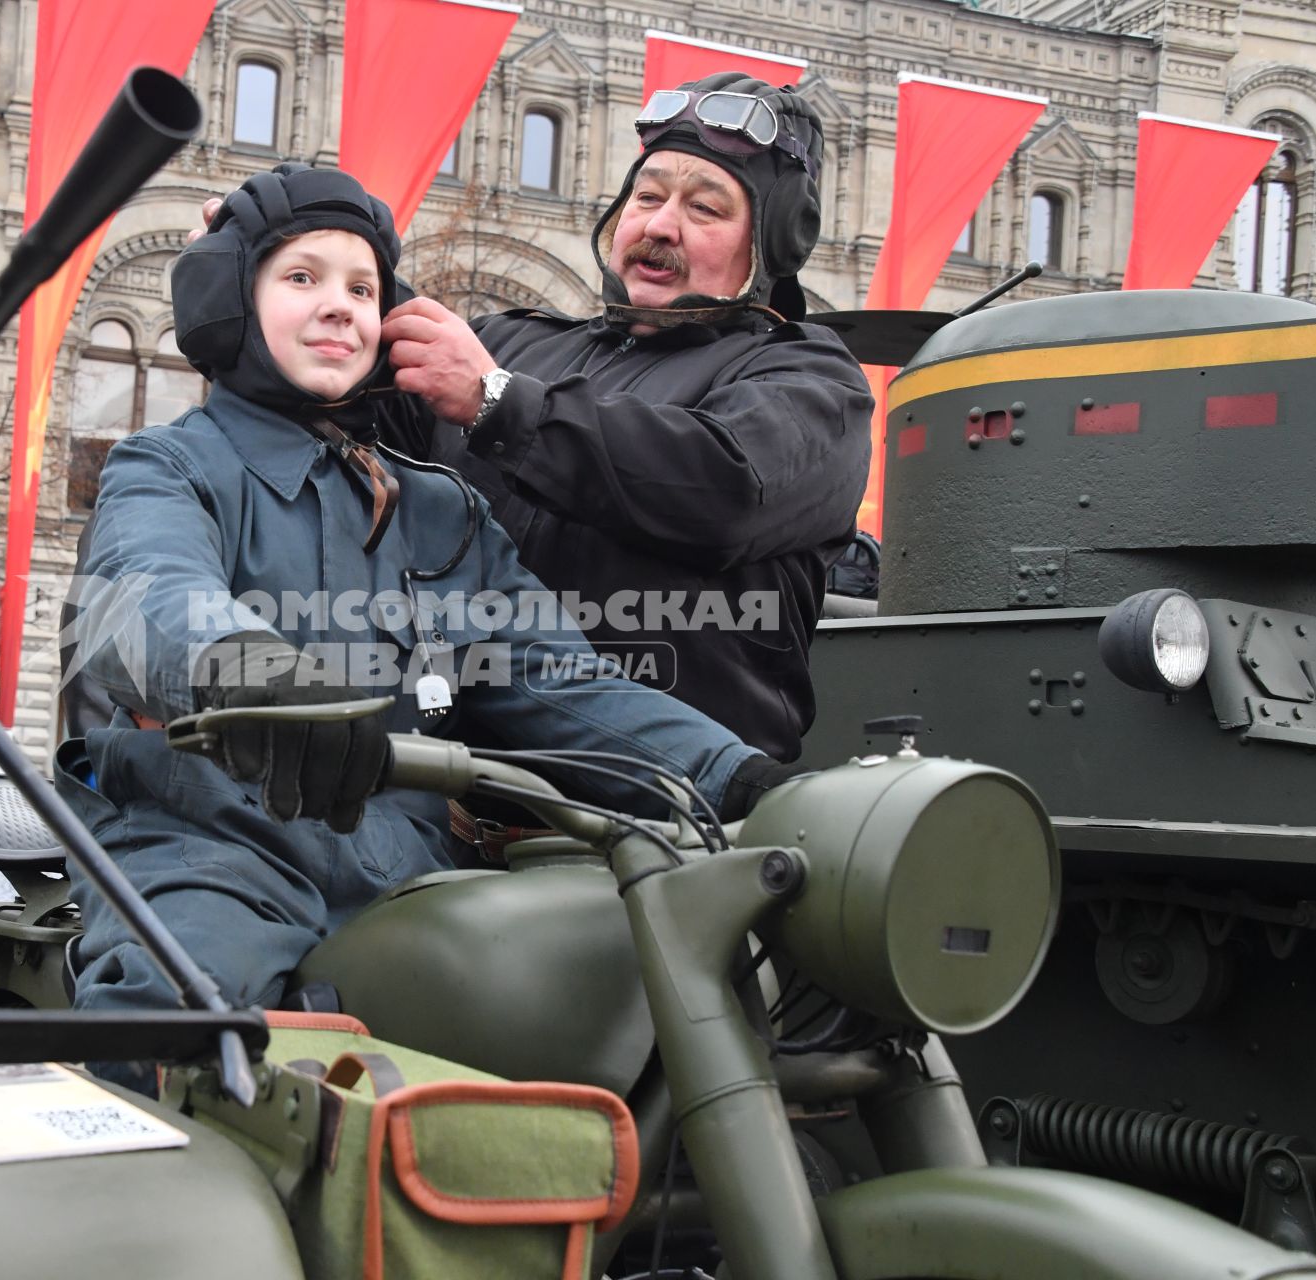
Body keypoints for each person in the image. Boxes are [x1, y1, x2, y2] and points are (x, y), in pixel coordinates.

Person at [64, 165, 805, 1088]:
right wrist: (245, 671)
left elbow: (553, 676)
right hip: (214, 848)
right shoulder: (167, 468)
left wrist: (739, 779)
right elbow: (144, 593)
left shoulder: (438, 510)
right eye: (301, 278)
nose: (338, 306)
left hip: (410, 869)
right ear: (229, 300)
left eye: (362, 288)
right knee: (186, 1026)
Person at [194, 75, 872, 764]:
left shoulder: (812, 383)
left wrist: (497, 402)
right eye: (647, 196)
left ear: (776, 242)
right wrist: (265, 262)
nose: (661, 225)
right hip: (448, 795)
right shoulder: (518, 345)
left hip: (670, 810)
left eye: (705, 208)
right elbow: (336, 383)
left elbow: (721, 489)